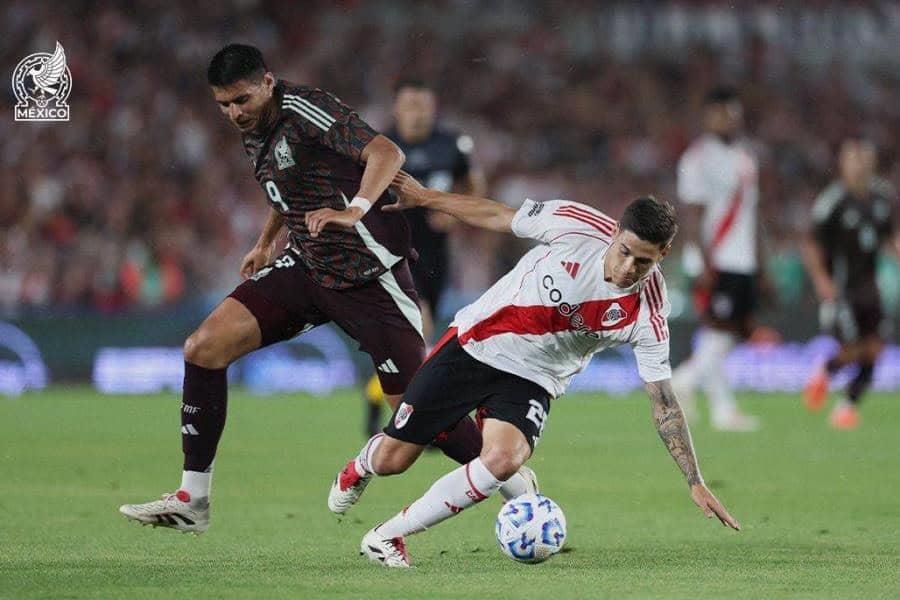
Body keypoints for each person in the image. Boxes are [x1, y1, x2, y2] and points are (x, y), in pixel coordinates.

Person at [119, 44, 531, 533]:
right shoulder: (256, 127)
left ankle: (520, 489)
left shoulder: (306, 109)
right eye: (224, 105)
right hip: (308, 267)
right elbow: (289, 184)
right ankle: (193, 499)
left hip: (370, 277)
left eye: (242, 100)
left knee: (421, 415)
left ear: (268, 82)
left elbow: (386, 152)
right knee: (203, 347)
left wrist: (355, 208)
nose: (234, 113)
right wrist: (266, 240)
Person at [329, 173, 740, 568]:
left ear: (663, 255)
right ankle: (359, 467)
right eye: (625, 251)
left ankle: (387, 535)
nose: (629, 267)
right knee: (393, 459)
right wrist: (426, 197)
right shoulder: (576, 225)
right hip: (476, 344)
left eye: (644, 261)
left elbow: (664, 402)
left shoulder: (649, 313)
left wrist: (694, 480)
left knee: (503, 460)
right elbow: (497, 216)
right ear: (615, 232)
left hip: (535, 378)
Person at [362, 78, 487, 436]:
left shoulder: (451, 145)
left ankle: (379, 400)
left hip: (436, 255)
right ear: (397, 109)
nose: (418, 114)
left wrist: (453, 211)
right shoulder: (380, 146)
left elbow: (473, 184)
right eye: (410, 106)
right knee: (420, 327)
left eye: (424, 107)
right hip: (393, 252)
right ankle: (416, 421)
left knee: (416, 336)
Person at [670, 86, 762, 431]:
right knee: (722, 331)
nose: (728, 119)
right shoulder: (697, 158)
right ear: (708, 116)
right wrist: (703, 261)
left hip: (742, 258)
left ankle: (721, 408)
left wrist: (760, 263)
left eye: (733, 113)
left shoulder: (745, 157)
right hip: (716, 258)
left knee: (729, 332)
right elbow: (692, 214)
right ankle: (685, 381)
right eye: (721, 113)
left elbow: (753, 213)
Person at [802, 138, 898, 429]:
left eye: (864, 159)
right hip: (843, 289)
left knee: (876, 350)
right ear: (844, 163)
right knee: (854, 349)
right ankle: (827, 370)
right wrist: (821, 280)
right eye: (854, 160)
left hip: (872, 287)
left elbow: (888, 239)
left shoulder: (882, 197)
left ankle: (846, 407)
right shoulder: (833, 201)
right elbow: (811, 244)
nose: (860, 166)